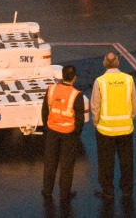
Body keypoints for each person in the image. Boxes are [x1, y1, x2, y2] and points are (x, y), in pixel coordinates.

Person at [91, 52, 136, 201]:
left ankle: (108, 191)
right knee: (126, 161)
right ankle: (126, 190)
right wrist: (131, 117)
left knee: (106, 162)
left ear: (105, 63)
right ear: (118, 62)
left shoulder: (100, 81)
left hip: (105, 130)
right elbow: (134, 103)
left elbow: (95, 106)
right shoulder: (128, 79)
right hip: (125, 128)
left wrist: (96, 122)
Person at [41, 65, 85, 203]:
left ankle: (47, 190)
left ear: (62, 75)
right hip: (68, 134)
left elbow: (44, 112)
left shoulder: (51, 89)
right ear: (74, 78)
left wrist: (48, 127)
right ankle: (64, 194)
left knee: (50, 162)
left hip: (52, 132)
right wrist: (76, 134)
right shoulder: (76, 95)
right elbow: (80, 119)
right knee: (67, 165)